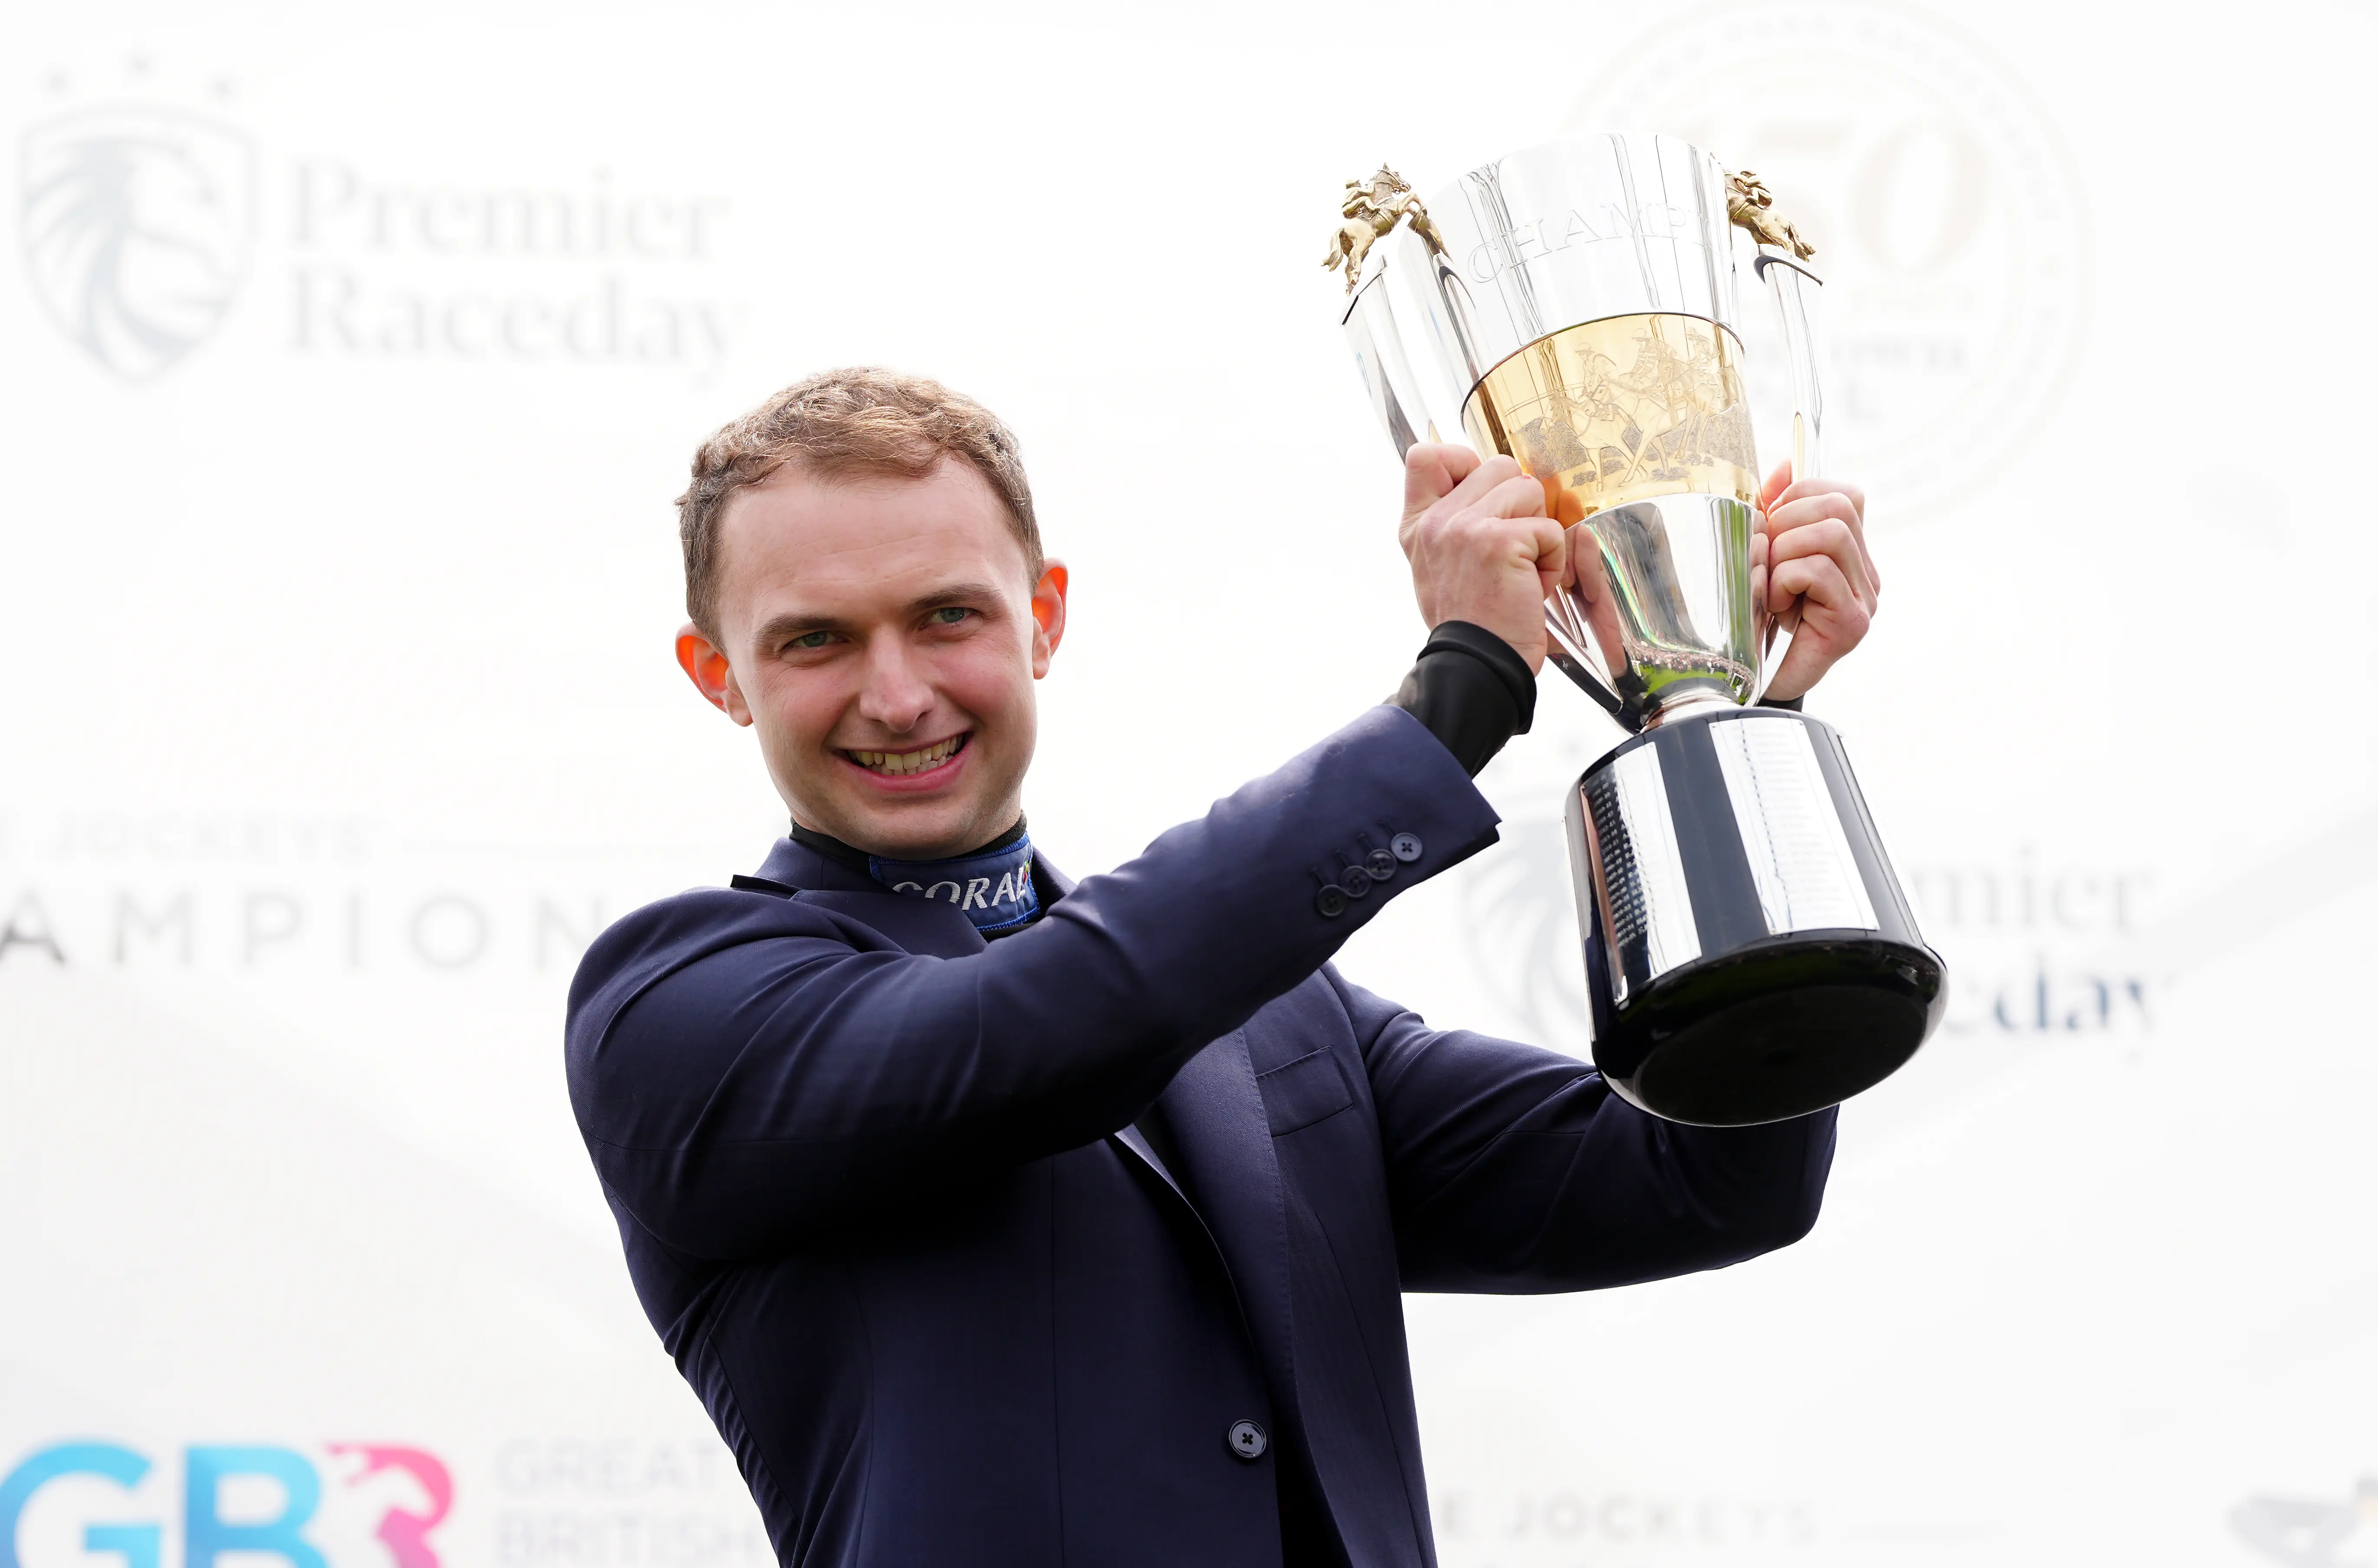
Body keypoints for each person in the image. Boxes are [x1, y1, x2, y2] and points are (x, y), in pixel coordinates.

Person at [564, 367, 1881, 1568]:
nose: (898, 694)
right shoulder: (675, 1007)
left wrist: (1713, 718)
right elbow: (1042, 1025)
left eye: (947, 615)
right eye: (815, 640)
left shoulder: (1274, 1016)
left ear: (1044, 619)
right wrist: (1457, 698)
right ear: (718, 676)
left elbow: (1705, 1176)